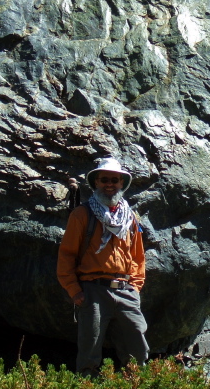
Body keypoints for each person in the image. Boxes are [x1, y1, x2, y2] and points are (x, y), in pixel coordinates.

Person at [57, 158, 148, 377]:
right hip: (93, 291)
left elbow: (138, 256)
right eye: (104, 179)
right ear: (96, 183)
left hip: (126, 290)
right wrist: (74, 290)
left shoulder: (130, 218)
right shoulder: (81, 214)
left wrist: (135, 287)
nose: (110, 184)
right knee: (90, 348)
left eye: (114, 180)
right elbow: (66, 254)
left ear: (121, 183)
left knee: (137, 345)